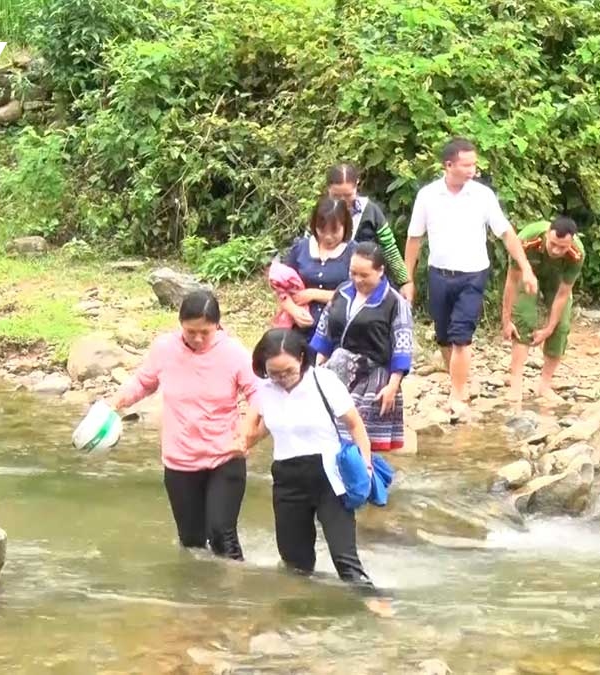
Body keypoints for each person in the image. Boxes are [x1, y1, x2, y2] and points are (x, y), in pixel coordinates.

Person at [233, 328, 391, 615]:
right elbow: (263, 428)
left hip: (329, 478)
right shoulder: (265, 390)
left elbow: (355, 425)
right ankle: (304, 615)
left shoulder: (324, 381)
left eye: (288, 372)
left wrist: (366, 466)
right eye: (274, 373)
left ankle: (376, 605)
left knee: (344, 558)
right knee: (295, 561)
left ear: (302, 359)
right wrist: (239, 444)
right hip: (286, 478)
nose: (281, 379)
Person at [107, 290, 257, 560]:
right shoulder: (165, 348)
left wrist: (247, 433)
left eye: (205, 332)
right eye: (190, 332)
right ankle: (196, 595)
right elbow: (144, 382)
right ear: (180, 324)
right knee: (191, 541)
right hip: (180, 459)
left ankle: (235, 595)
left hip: (225, 455)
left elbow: (258, 394)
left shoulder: (233, 353)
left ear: (217, 326)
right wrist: (116, 402)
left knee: (222, 533)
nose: (198, 338)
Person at [404, 137, 538, 418]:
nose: (472, 170)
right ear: (448, 165)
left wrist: (525, 266)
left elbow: (506, 233)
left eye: (474, 164)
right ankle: (460, 382)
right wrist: (408, 279)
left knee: (461, 336)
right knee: (443, 336)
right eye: (466, 165)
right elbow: (414, 239)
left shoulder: (482, 195)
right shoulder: (428, 196)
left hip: (473, 274)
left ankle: (457, 393)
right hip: (439, 273)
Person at [310, 242, 414, 452]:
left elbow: (403, 346)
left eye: (364, 275)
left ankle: (369, 480)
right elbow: (325, 331)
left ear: (380, 271)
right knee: (329, 434)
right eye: (353, 273)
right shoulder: (342, 291)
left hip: (373, 378)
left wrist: (392, 386)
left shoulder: (394, 302)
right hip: (336, 371)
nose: (357, 280)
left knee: (360, 442)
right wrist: (317, 369)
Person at [502, 215, 586, 405]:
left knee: (561, 326)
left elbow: (564, 293)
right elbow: (512, 281)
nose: (556, 250)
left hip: (556, 279)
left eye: (562, 247)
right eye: (553, 244)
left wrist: (549, 329)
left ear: (571, 242)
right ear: (548, 234)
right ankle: (516, 385)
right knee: (523, 318)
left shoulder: (576, 253)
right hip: (527, 273)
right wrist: (506, 319)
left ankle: (544, 385)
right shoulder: (527, 239)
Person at [325, 163, 415, 304]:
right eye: (336, 196)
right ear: (328, 190)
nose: (343, 201)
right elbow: (308, 246)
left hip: (366, 283)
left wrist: (405, 281)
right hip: (329, 282)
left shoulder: (371, 212)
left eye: (348, 195)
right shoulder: (322, 214)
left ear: (357, 186)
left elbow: (389, 248)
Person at [274, 198, 356, 340]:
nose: (328, 237)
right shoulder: (301, 247)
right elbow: (282, 287)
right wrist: (294, 311)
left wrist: (314, 294)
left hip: (337, 330)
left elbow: (357, 292)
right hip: (299, 329)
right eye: (322, 230)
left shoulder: (354, 252)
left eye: (335, 230)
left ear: (345, 226)